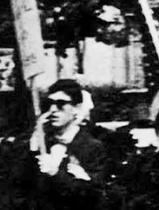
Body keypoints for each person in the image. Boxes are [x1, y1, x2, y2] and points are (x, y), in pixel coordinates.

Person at [29, 79, 108, 210]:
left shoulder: (93, 147)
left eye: (61, 104)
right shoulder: (42, 142)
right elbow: (24, 188)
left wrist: (56, 174)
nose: (53, 109)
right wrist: (33, 149)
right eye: (49, 103)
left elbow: (94, 197)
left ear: (76, 108)